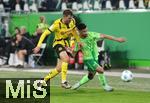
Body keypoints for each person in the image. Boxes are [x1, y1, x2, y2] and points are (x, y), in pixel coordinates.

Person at [33, 9, 80, 89]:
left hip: (66, 44)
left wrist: (78, 41)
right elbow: (45, 33)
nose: (70, 20)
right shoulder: (56, 24)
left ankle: (43, 81)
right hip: (58, 43)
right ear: (64, 16)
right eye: (68, 18)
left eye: (71, 18)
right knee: (66, 59)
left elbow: (74, 31)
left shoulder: (72, 21)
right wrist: (38, 45)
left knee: (58, 69)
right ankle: (64, 82)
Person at [72, 23, 126, 91]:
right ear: (79, 31)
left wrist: (117, 39)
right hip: (88, 59)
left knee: (90, 76)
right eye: (84, 31)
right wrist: (68, 54)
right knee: (101, 70)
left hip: (95, 58)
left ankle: (78, 84)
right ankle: (105, 86)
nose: (86, 32)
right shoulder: (78, 41)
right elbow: (74, 53)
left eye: (86, 30)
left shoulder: (92, 34)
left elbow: (104, 36)